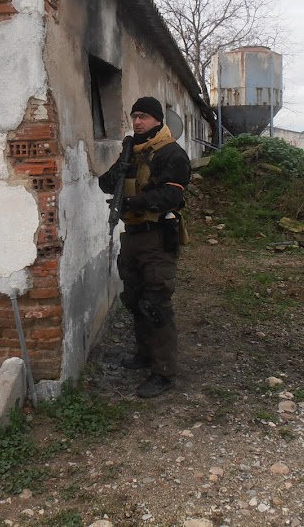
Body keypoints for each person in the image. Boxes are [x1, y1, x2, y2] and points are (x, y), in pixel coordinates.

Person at [99, 96, 191, 398]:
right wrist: (121, 162)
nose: (138, 122)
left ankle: (164, 372)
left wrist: (132, 201)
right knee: (134, 299)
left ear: (157, 120)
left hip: (157, 237)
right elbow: (104, 183)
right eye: (134, 116)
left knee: (156, 304)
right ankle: (144, 354)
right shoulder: (133, 151)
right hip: (133, 235)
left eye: (144, 117)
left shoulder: (171, 154)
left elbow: (170, 197)